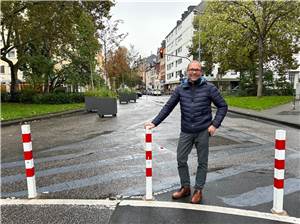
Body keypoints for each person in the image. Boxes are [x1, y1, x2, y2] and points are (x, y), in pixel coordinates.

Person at [144, 60, 228, 204]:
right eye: (191, 69)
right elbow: (168, 107)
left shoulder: (209, 88)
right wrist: (154, 122)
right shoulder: (180, 89)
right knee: (181, 159)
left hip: (203, 131)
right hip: (186, 131)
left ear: (201, 72)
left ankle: (198, 190)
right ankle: (186, 187)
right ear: (187, 71)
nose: (194, 72)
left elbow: (223, 106)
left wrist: (214, 125)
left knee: (202, 162)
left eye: (197, 69)